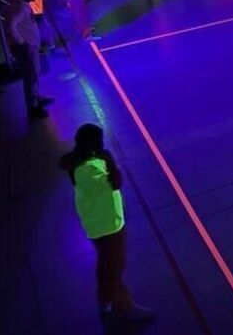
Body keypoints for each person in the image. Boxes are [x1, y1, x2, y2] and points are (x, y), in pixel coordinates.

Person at [59, 124, 154, 322]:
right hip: (108, 224)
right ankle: (124, 307)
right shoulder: (88, 169)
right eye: (98, 141)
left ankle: (104, 301)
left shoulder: (78, 161)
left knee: (104, 264)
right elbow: (116, 182)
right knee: (115, 268)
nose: (102, 145)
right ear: (90, 144)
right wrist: (109, 160)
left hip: (96, 221)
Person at [4, 0, 51, 118]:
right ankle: (33, 107)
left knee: (34, 73)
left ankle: (36, 98)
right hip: (26, 47)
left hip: (29, 46)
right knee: (30, 76)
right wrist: (21, 42)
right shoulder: (20, 8)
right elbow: (10, 25)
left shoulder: (22, 6)